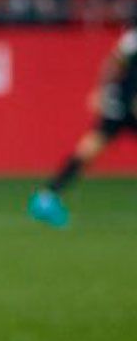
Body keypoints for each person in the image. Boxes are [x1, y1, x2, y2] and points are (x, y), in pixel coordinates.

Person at [29, 21, 137, 227]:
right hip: (121, 103)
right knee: (90, 148)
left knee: (90, 147)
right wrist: (100, 89)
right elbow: (114, 61)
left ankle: (47, 196)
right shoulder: (134, 37)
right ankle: (47, 197)